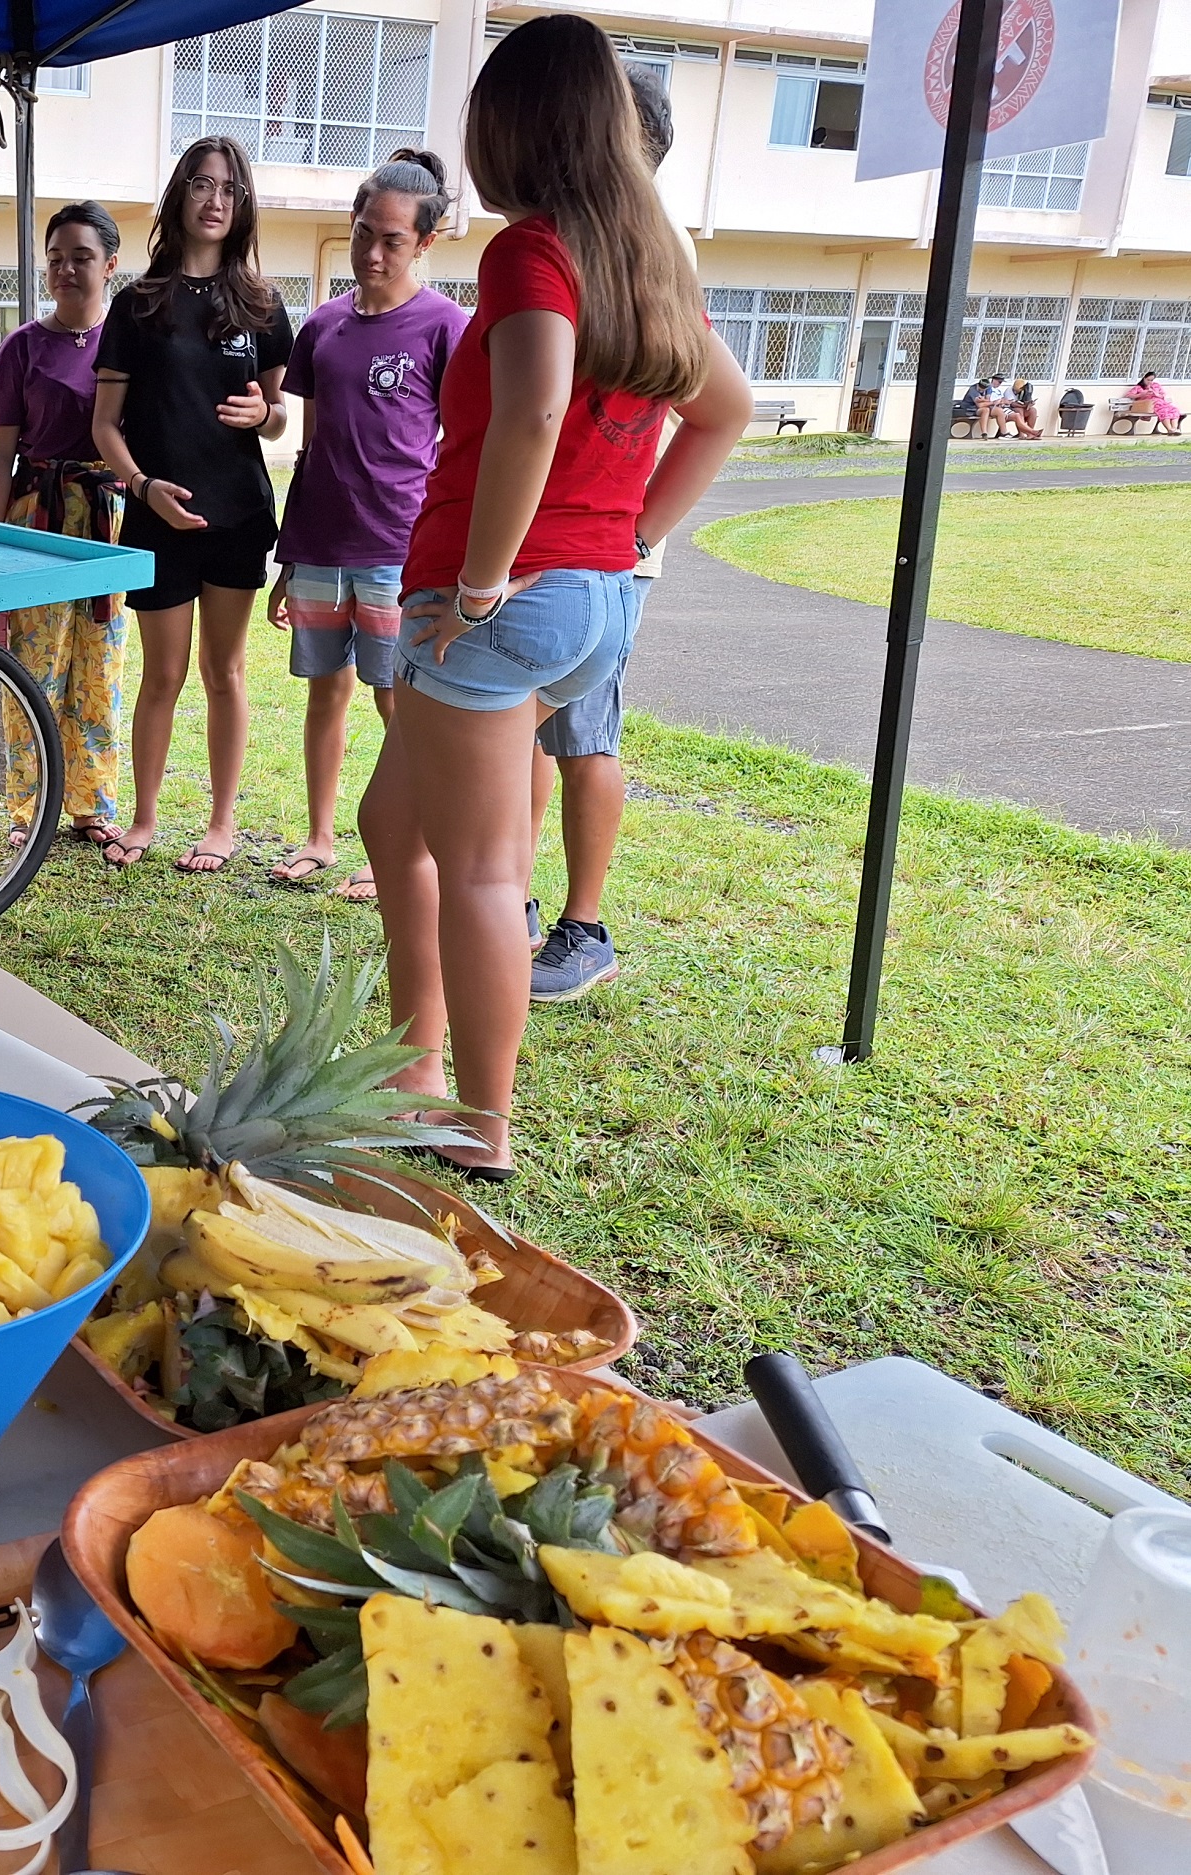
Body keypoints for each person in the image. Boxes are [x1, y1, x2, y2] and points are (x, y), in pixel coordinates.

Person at [355, 14, 751, 1178]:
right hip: (588, 605)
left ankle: (478, 1126)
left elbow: (530, 412)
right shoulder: (648, 258)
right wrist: (622, 541)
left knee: (481, 871)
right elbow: (720, 412)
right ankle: (414, 1064)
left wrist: (479, 588)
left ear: (517, 123)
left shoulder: (534, 250)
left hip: (500, 606)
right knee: (393, 822)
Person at [523, 61, 689, 999]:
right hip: (551, 550)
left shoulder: (655, 258)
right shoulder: (579, 247)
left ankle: (585, 925)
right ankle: (522, 901)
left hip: (597, 557)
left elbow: (718, 411)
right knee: (531, 735)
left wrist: (635, 536)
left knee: (583, 735)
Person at [263, 152, 467, 901]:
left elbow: (463, 448)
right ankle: (320, 836)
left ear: (425, 243)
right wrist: (289, 557)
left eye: (391, 240)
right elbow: (311, 448)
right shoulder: (320, 328)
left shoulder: (447, 327)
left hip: (399, 553)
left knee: (398, 704)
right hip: (322, 547)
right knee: (327, 694)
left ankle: (399, 852)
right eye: (361, 235)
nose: (372, 254)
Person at [91, 136, 294, 872]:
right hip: (158, 514)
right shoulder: (137, 304)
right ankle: (143, 820)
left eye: (230, 189)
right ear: (179, 196)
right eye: (202, 184)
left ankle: (220, 824)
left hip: (237, 514)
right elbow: (104, 426)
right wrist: (144, 488)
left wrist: (262, 418)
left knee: (225, 672)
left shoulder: (264, 306)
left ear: (242, 207)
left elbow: (277, 415)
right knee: (162, 676)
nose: (215, 199)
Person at [0, 201, 127, 851]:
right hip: (34, 513)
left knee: (101, 660)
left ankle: (91, 803)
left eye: (82, 256)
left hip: (105, 518)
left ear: (112, 265)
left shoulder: (129, 343)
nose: (66, 269)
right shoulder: (21, 348)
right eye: (57, 258)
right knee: (33, 663)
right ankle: (29, 805)